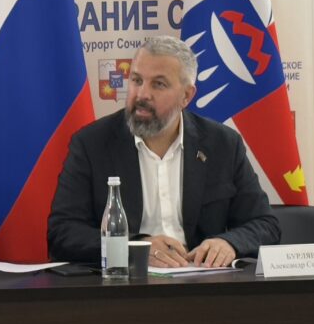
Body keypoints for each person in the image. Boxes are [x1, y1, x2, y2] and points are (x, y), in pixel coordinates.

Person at [48, 35, 279, 268]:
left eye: (158, 84)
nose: (142, 94)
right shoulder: (92, 144)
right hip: (125, 281)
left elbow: (265, 224)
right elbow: (62, 232)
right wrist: (133, 248)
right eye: (136, 80)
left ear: (186, 96)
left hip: (202, 281)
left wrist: (229, 243)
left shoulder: (222, 144)